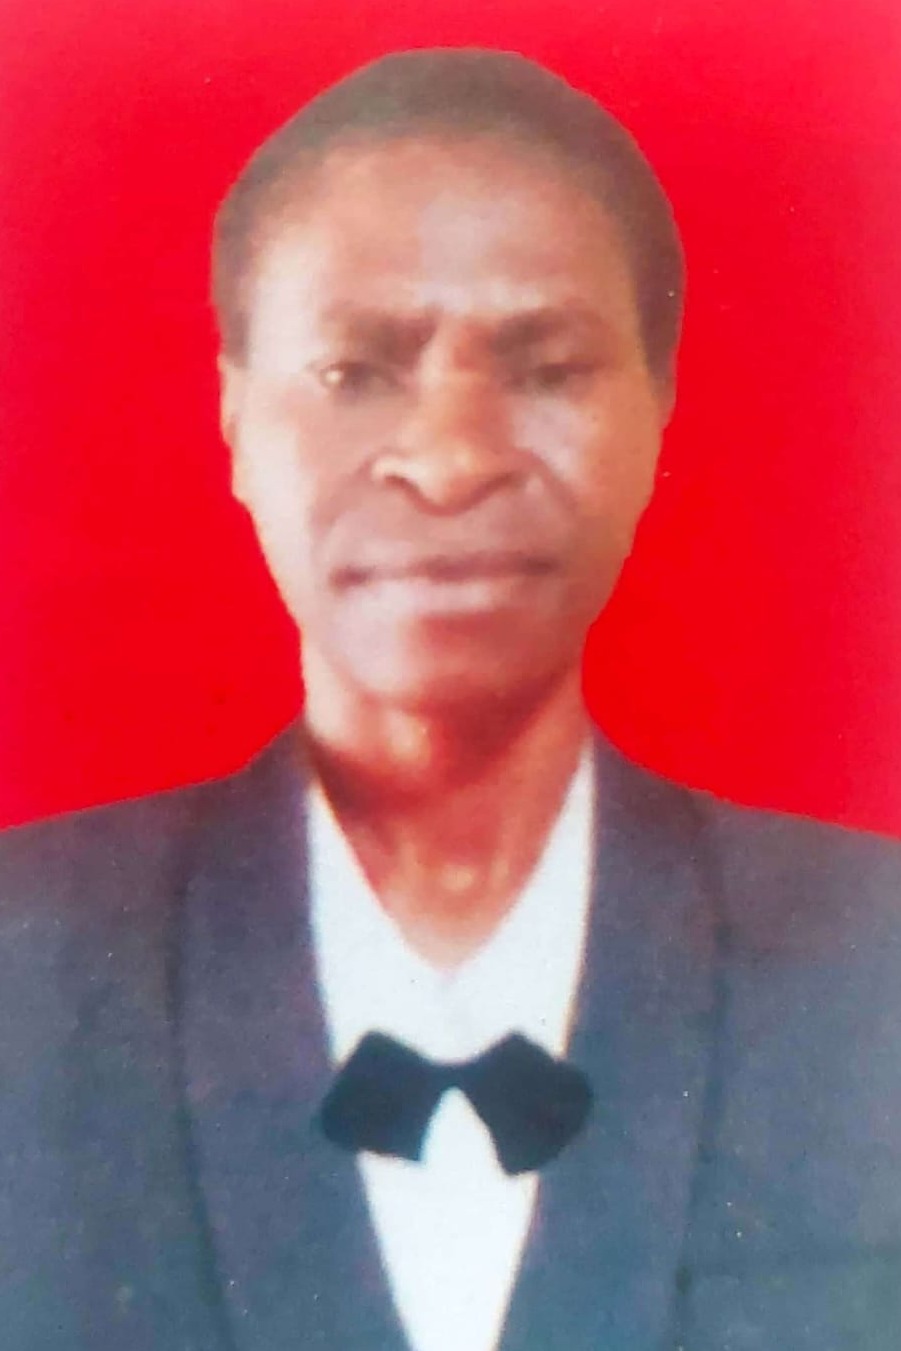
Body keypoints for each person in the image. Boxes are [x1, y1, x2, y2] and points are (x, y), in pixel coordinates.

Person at [2, 46, 900, 1351]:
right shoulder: (24, 964)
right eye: (355, 371)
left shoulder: (876, 961)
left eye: (546, 368)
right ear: (234, 418)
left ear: (659, 406)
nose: (451, 461)